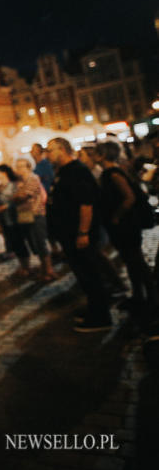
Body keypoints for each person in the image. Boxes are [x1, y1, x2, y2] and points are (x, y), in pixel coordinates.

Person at [47, 137, 114, 332]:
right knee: (83, 275)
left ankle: (101, 317)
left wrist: (83, 232)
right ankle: (94, 308)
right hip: (69, 235)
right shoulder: (63, 172)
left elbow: (86, 204)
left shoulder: (77, 171)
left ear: (62, 150)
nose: (48, 155)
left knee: (90, 274)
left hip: (80, 235)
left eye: (51, 150)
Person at [96, 142, 157, 318]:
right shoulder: (115, 171)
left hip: (126, 225)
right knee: (130, 261)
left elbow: (129, 197)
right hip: (123, 225)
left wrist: (116, 216)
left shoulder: (112, 173)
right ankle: (138, 295)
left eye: (94, 154)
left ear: (102, 155)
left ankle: (151, 298)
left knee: (136, 260)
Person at [13, 157, 56, 280]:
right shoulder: (20, 181)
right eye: (17, 166)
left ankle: (48, 270)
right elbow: (16, 196)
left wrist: (16, 196)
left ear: (28, 167)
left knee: (41, 243)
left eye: (21, 166)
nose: (18, 169)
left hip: (37, 215)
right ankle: (43, 268)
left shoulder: (33, 178)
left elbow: (22, 196)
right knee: (35, 243)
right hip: (26, 216)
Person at [0, 164, 23, 266]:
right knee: (7, 234)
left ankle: (21, 258)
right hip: (2, 217)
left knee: (16, 236)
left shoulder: (14, 185)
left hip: (13, 216)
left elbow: (18, 200)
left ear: (4, 173)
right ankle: (10, 251)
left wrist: (7, 206)